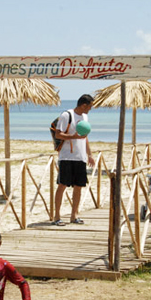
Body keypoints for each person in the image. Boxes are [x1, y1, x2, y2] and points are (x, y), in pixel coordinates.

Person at [53, 94, 96, 226]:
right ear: (84, 105)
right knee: (62, 185)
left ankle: (74, 215)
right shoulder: (67, 115)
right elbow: (58, 134)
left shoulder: (85, 117)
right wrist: (74, 137)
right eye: (90, 106)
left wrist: (89, 154)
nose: (90, 109)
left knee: (79, 187)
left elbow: (85, 137)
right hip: (66, 156)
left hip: (80, 157)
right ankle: (57, 217)